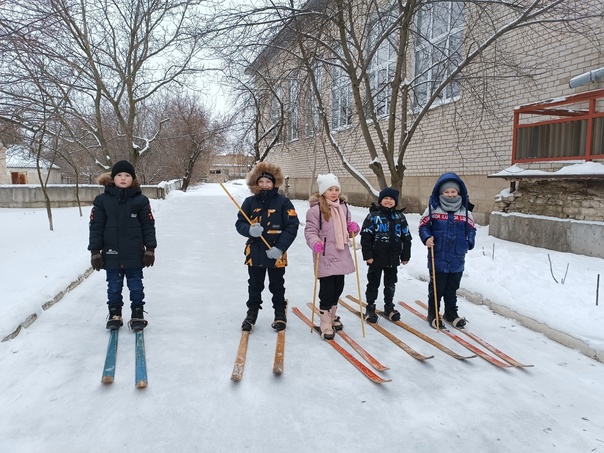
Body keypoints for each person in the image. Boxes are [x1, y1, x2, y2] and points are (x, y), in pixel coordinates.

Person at [88, 160, 157, 331]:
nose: (123, 178)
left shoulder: (140, 201)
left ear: (133, 179)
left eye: (127, 175)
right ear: (113, 178)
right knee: (113, 285)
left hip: (134, 253)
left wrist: (150, 248)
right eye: (119, 175)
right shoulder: (102, 201)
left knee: (136, 285)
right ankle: (114, 313)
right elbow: (96, 227)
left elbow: (148, 226)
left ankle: (137, 313)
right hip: (111, 252)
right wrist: (95, 251)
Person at [235, 162, 299, 332]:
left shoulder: (284, 203)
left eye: (268, 182)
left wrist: (280, 248)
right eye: (261, 181)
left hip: (276, 253)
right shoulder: (249, 202)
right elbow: (240, 222)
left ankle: (279, 314)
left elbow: (292, 226)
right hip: (255, 253)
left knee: (277, 285)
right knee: (254, 285)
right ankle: (251, 314)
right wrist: (248, 229)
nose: (264, 185)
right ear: (255, 183)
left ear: (274, 183)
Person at [304, 173, 359, 339]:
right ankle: (325, 320)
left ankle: (333, 314)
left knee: (338, 286)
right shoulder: (315, 210)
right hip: (326, 254)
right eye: (330, 189)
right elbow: (310, 231)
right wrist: (315, 242)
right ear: (322, 191)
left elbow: (349, 230)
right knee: (327, 289)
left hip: (341, 252)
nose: (334, 192)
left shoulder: (344, 207)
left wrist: (354, 228)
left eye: (336, 189)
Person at [419, 172, 476, 329]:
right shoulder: (433, 209)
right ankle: (433, 314)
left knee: (452, 287)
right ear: (440, 192)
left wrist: (469, 242)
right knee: (437, 287)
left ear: (458, 193)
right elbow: (423, 226)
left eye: (453, 191)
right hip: (437, 255)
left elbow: (471, 229)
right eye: (447, 192)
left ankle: (451, 313)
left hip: (457, 256)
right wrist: (426, 238)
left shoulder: (465, 211)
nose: (450, 195)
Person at [360, 187, 412, 323]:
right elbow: (365, 236)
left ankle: (389, 306)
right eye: (385, 199)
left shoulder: (400, 217)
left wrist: (405, 255)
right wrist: (368, 255)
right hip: (376, 257)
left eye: (391, 199)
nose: (388, 201)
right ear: (381, 200)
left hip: (393, 257)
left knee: (390, 284)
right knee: (373, 283)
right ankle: (370, 307)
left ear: (395, 202)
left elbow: (406, 237)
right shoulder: (373, 216)